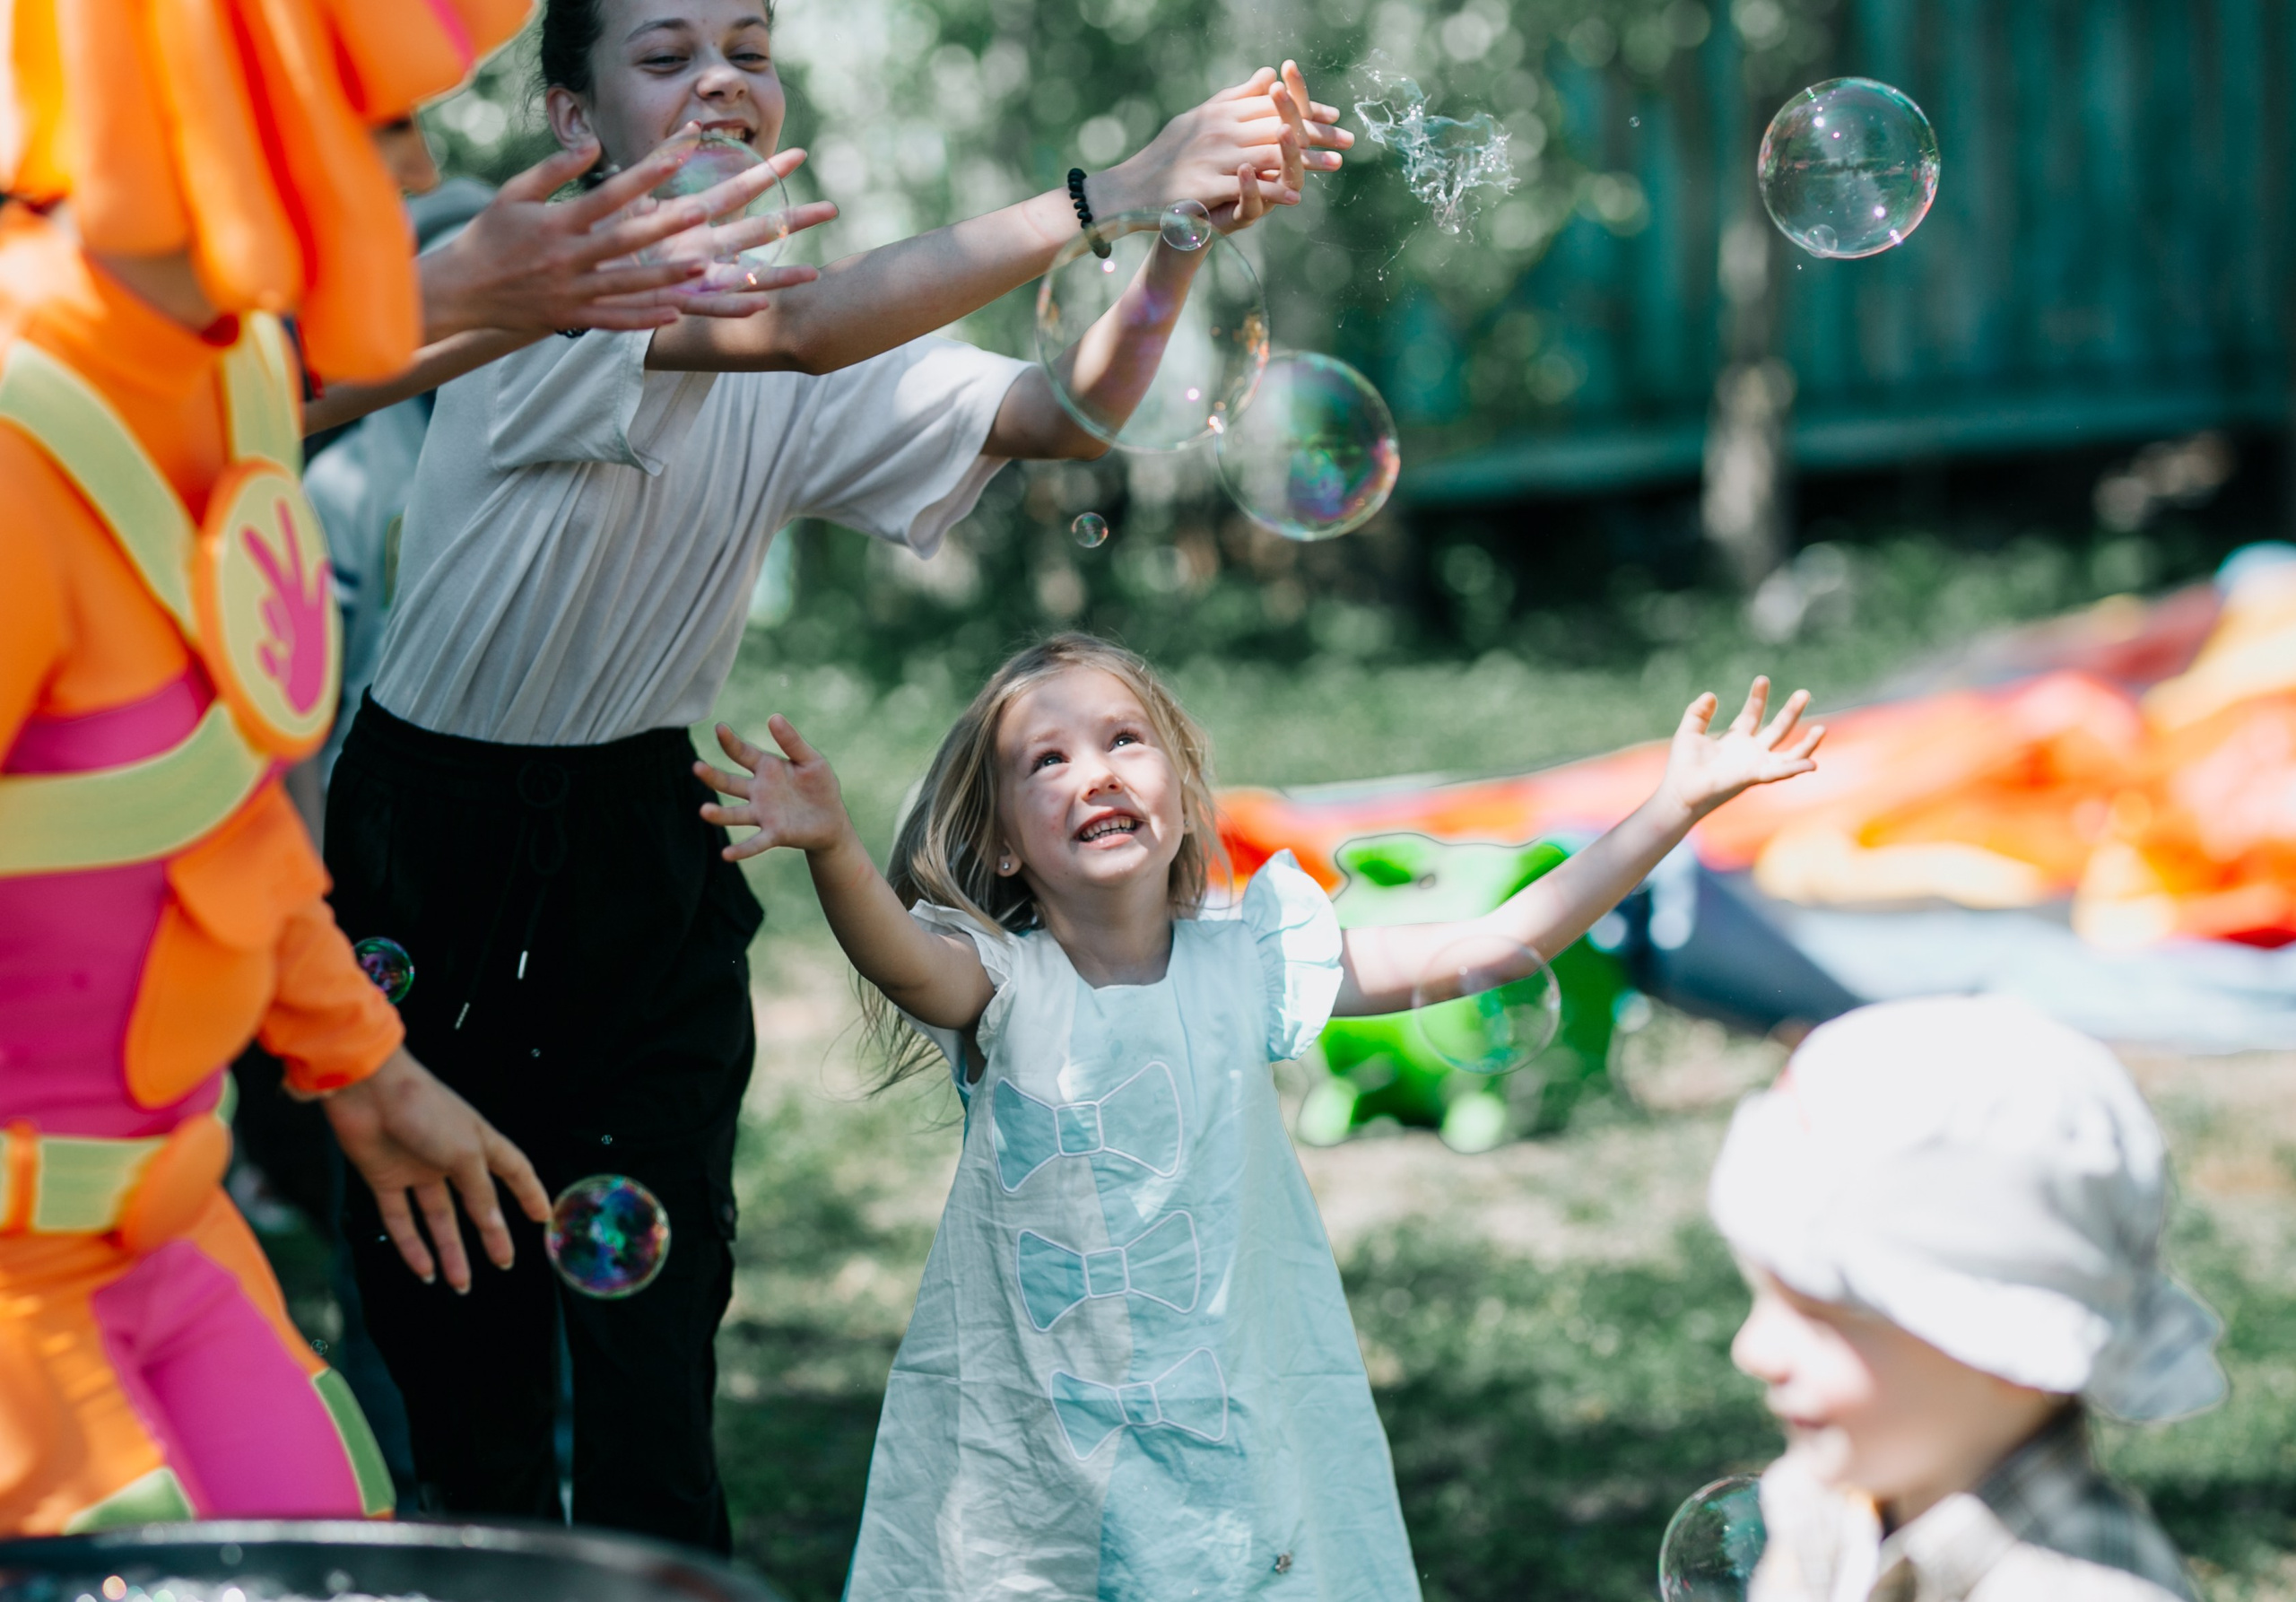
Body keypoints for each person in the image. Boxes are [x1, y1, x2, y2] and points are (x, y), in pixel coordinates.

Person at [324, 0, 1352, 1548]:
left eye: (747, 45)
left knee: (655, 1369)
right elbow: (806, 327)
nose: (721, 76)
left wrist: (1180, 242)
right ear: (571, 119)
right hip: (427, 842)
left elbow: (1060, 412)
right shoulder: (545, 302)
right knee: (463, 1369)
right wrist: (1107, 189)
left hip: (637, 838)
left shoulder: (802, 334)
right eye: (665, 55)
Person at [0, 0, 812, 1535]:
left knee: (357, 1520)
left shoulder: (219, 400)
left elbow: (216, 828)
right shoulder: (22, 447)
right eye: (381, 130)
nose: (429, 158)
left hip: (167, 1236)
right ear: (219, 131)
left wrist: (362, 1073)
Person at [696, 633, 1824, 1598]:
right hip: (1035, 1415)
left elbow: (1488, 947)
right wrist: (835, 850)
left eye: (1123, 741)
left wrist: (1672, 805)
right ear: (1000, 841)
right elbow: (900, 963)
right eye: (1048, 759)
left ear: (1185, 802)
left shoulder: (1249, 962)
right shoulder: (1002, 981)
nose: (1094, 772)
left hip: (1227, 1397)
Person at [1708, 996, 2227, 1601]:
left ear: (2012, 1349)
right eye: (1765, 1298)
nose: (1754, 1350)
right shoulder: (1830, 1505)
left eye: (1823, 1317)